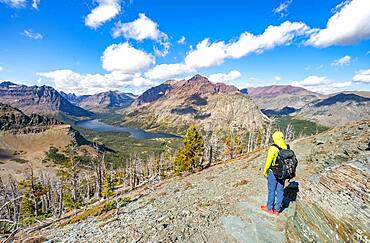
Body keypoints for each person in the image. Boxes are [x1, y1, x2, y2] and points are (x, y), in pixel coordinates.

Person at [260, 131, 287, 216]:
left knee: (271, 190)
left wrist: (265, 171)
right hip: (283, 173)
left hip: (274, 172)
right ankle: (277, 210)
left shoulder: (273, 148)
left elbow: (269, 161)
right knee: (280, 190)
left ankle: (269, 208)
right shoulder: (286, 146)